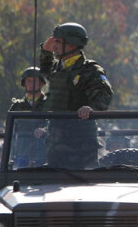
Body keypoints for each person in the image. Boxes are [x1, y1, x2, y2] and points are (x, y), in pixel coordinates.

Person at [39, 22, 114, 168]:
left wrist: (90, 108)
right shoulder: (57, 67)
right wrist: (45, 51)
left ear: (72, 44)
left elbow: (104, 94)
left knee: (83, 185)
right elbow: (45, 70)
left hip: (80, 144)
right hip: (56, 142)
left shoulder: (89, 69)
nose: (54, 46)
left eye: (58, 42)